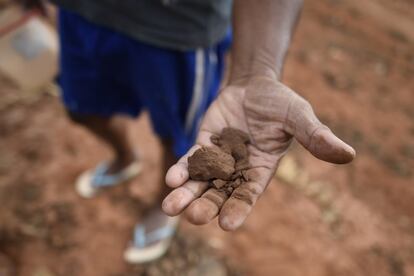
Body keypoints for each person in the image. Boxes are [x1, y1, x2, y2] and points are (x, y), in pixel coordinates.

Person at [22, 0, 355, 264]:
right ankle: (125, 158)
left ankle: (160, 206)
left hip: (175, 30)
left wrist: (257, 71)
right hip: (80, 12)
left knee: (179, 137)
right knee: (81, 109)